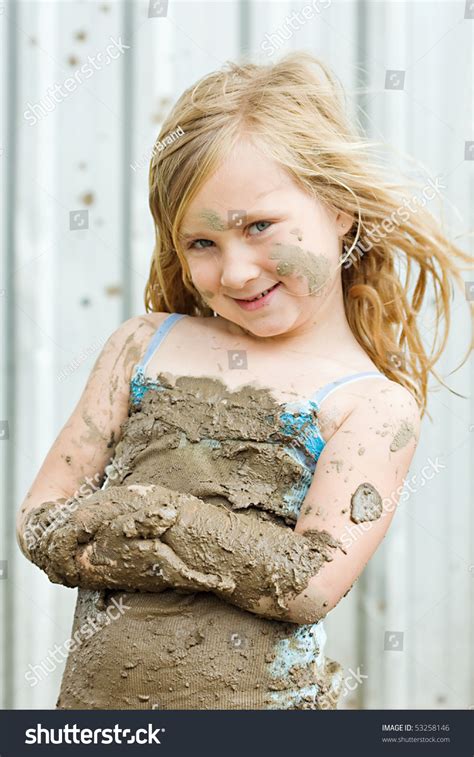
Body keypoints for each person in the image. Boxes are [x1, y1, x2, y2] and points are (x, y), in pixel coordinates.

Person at [17, 52, 471, 710]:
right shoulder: (145, 346)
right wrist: (211, 546)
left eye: (259, 227)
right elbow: (39, 517)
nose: (234, 272)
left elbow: (308, 581)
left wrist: (147, 519)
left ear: (339, 206)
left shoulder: (370, 407)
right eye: (201, 243)